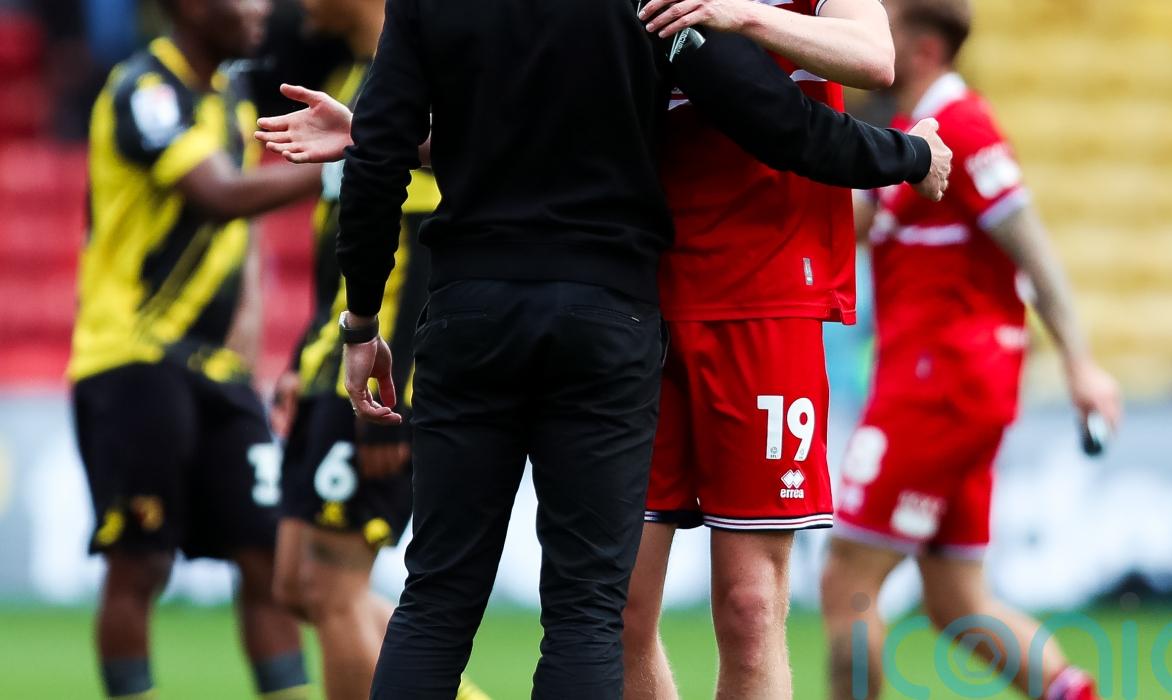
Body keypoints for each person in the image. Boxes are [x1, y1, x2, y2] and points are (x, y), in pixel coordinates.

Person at [257, 4, 947, 694]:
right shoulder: (649, 3)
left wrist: (361, 318)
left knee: (437, 598)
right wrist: (908, 155)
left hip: (479, 309)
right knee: (590, 612)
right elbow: (774, 118)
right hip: (609, 314)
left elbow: (393, 156)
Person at [821, 2, 1123, 699]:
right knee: (957, 598)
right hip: (956, 386)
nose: (870, 33)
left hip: (938, 385)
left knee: (846, 580)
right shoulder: (916, 131)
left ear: (924, 49)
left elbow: (1033, 247)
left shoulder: (961, 124)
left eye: (887, 25)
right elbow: (853, 225)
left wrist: (1079, 363)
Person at [622, 1, 909, 698]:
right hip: (632, 294)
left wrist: (740, 15)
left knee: (749, 607)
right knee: (615, 610)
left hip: (767, 301)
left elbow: (874, 58)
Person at [68, 1, 323, 697]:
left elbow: (240, 238)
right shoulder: (145, 89)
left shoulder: (231, 98)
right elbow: (219, 195)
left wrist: (249, 335)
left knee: (270, 559)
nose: (260, 6)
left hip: (217, 369)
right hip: (133, 357)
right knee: (141, 562)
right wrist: (346, 164)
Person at [265, 1, 485, 698]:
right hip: (331, 364)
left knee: (331, 589)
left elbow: (422, 251)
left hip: (383, 374)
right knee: (296, 584)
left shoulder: (418, 81)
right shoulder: (351, 78)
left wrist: (397, 400)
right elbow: (339, 249)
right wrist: (303, 358)